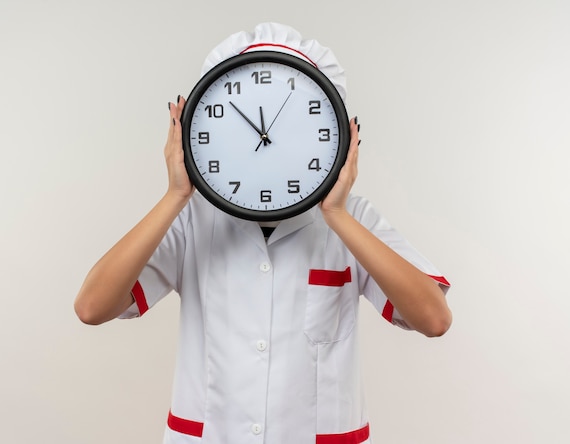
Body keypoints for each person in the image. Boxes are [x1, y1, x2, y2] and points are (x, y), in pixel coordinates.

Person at [75, 22, 452, 444]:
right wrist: (176, 195)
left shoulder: (352, 220)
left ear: (338, 141)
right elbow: (91, 306)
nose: (266, 140)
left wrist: (337, 213)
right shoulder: (192, 220)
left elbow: (434, 318)